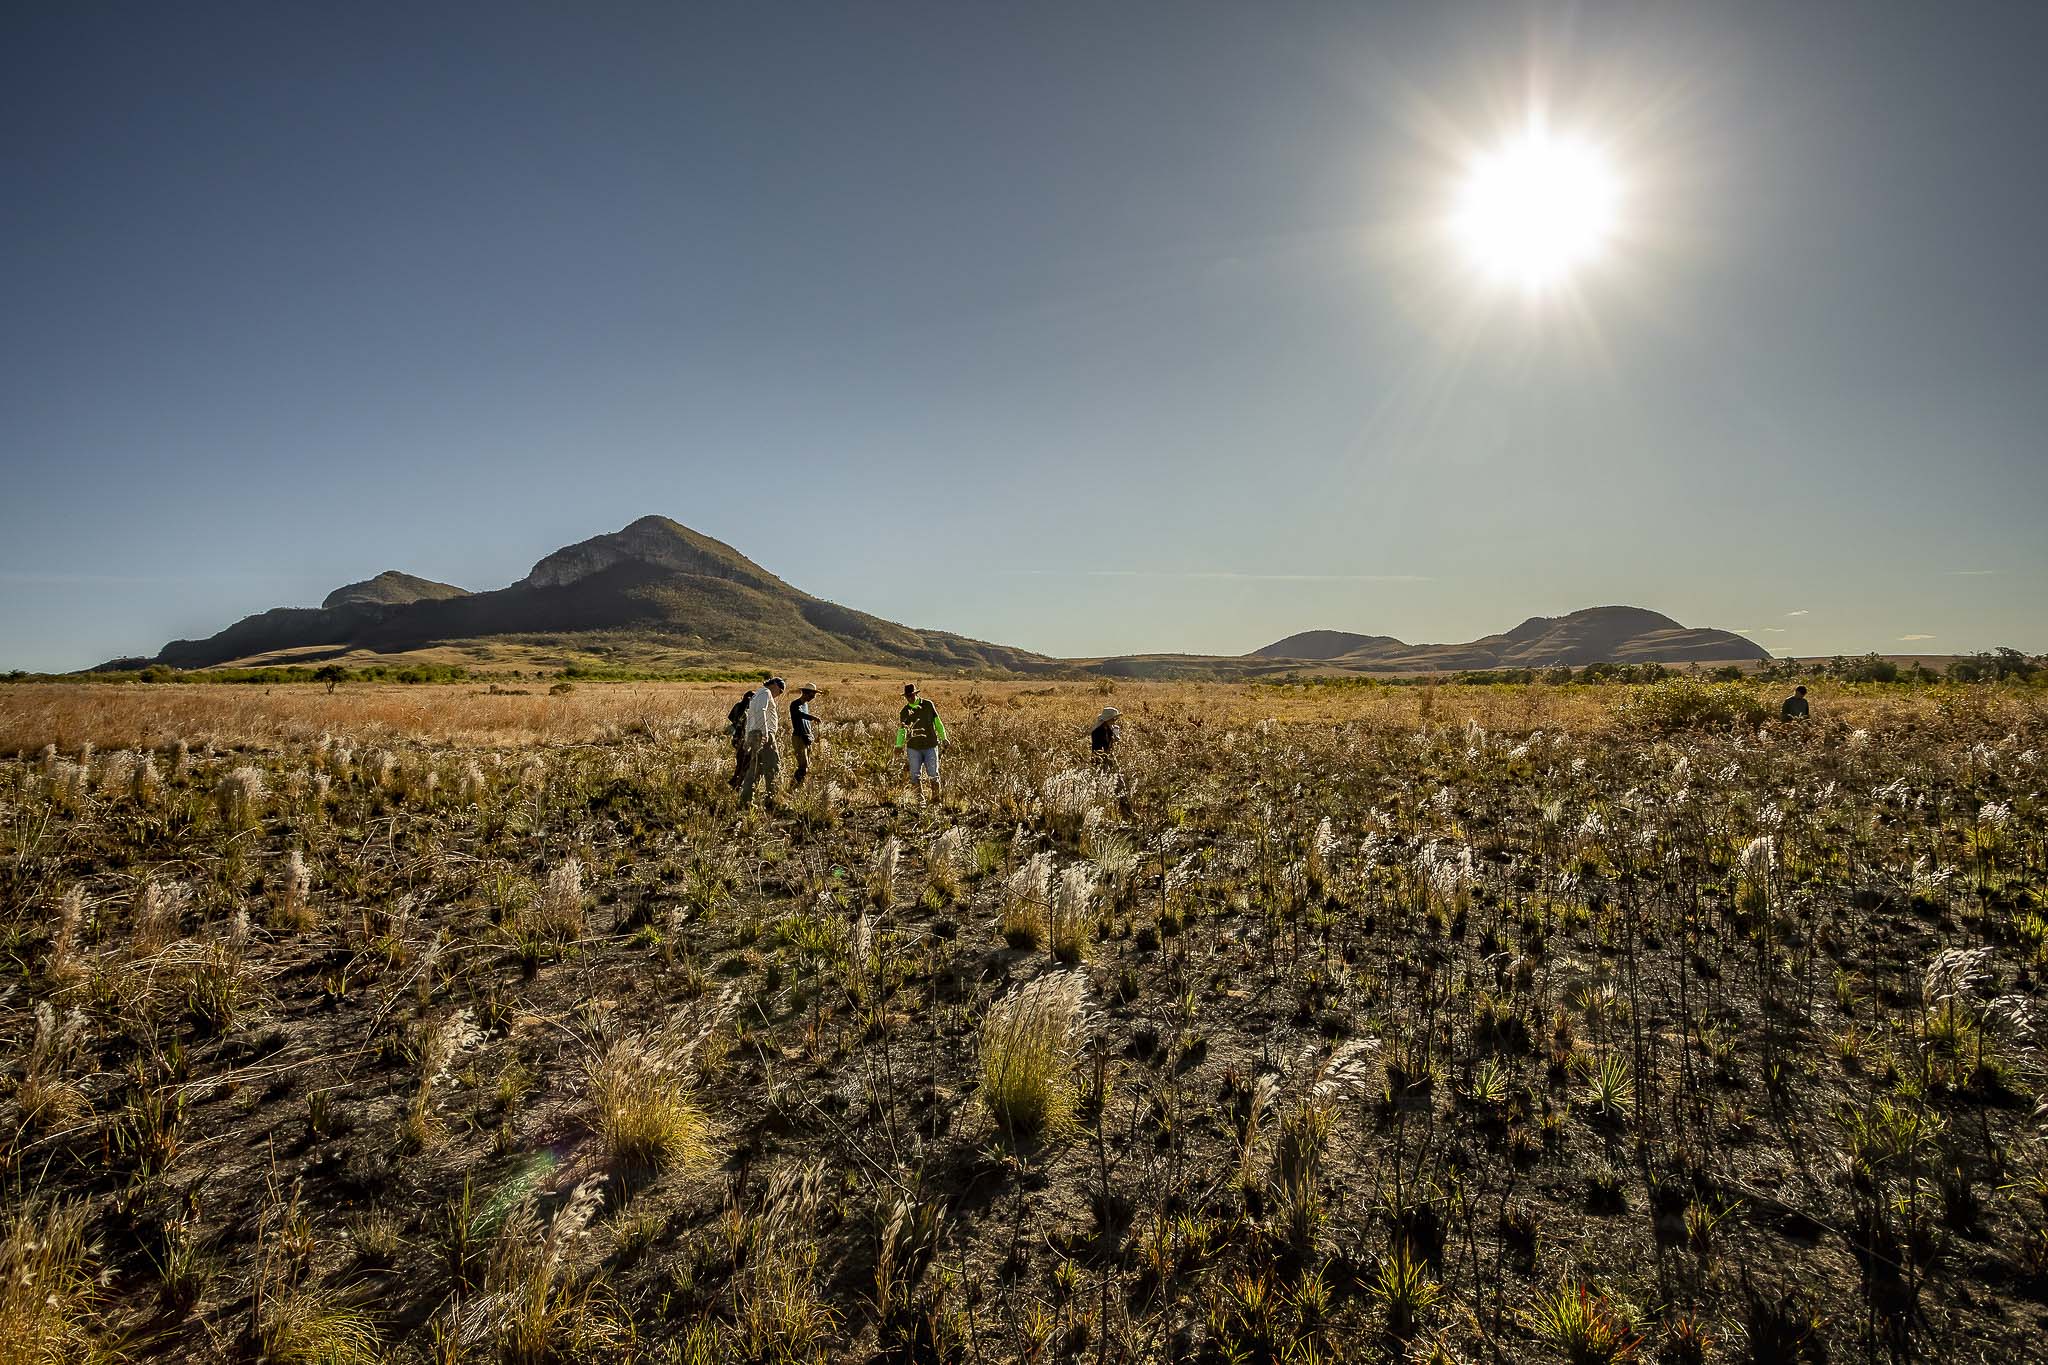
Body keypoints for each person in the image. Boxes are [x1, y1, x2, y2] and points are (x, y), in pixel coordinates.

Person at [739, 677, 787, 807]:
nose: (780, 694)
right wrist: (765, 733)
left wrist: (747, 737)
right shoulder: (766, 693)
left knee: (755, 768)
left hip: (754, 733)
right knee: (773, 766)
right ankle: (773, 799)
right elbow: (761, 711)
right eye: (781, 691)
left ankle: (746, 800)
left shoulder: (757, 695)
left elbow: (750, 717)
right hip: (764, 735)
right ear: (775, 685)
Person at [896, 682, 946, 803]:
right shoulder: (904, 712)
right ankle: (920, 801)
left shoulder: (928, 705)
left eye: (912, 695)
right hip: (913, 748)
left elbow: (937, 722)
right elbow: (902, 730)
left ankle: (935, 800)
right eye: (908, 696)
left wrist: (944, 737)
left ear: (916, 694)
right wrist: (898, 745)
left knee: (933, 774)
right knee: (914, 775)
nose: (910, 698)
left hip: (930, 746)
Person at [788, 683, 821, 786]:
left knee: (806, 764)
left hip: (806, 737)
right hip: (798, 737)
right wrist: (813, 717)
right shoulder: (795, 704)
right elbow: (799, 714)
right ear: (805, 693)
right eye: (812, 695)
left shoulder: (805, 705)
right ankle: (793, 787)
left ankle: (797, 786)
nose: (813, 698)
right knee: (803, 766)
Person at [725, 687, 756, 788]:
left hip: (736, 738)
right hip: (744, 739)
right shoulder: (751, 709)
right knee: (744, 762)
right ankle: (736, 782)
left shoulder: (738, 706)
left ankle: (736, 781)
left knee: (740, 760)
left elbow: (731, 719)